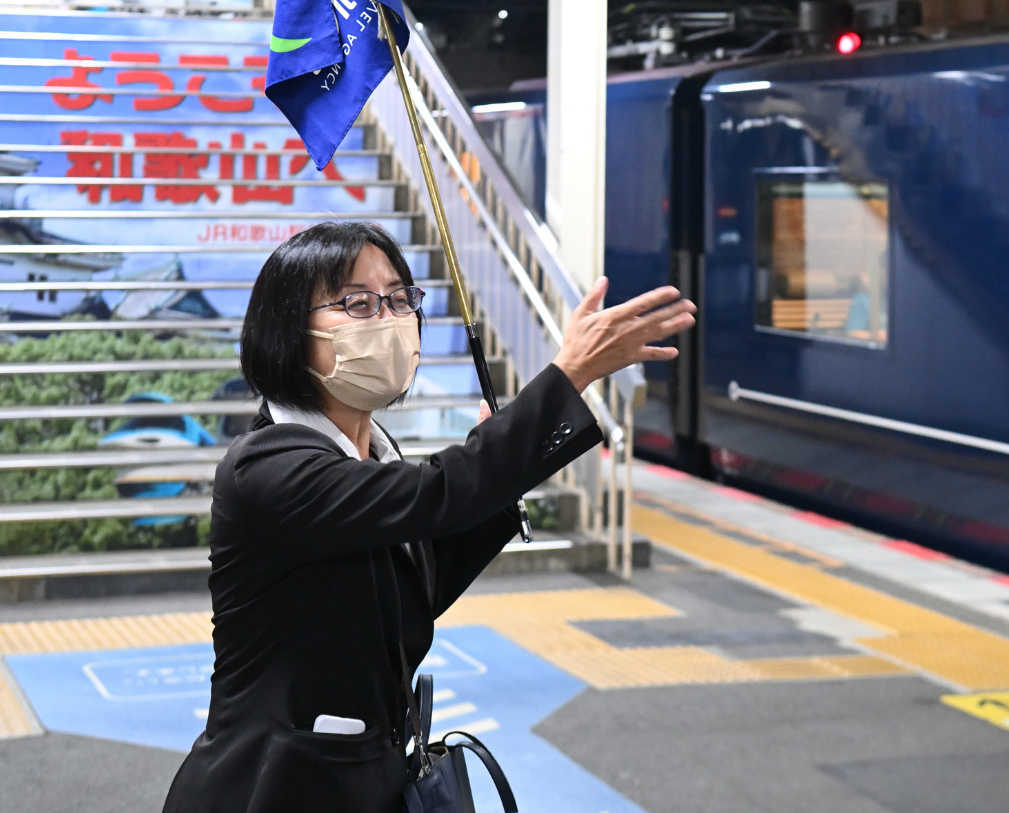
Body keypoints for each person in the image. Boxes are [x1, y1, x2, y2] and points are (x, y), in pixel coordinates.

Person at [163, 221, 694, 813]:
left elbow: (420, 581)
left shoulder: (375, 451)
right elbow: (437, 494)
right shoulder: (266, 466)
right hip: (270, 789)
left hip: (366, 782)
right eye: (356, 303)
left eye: (398, 299)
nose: (387, 319)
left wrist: (500, 463)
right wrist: (564, 380)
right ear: (289, 330)